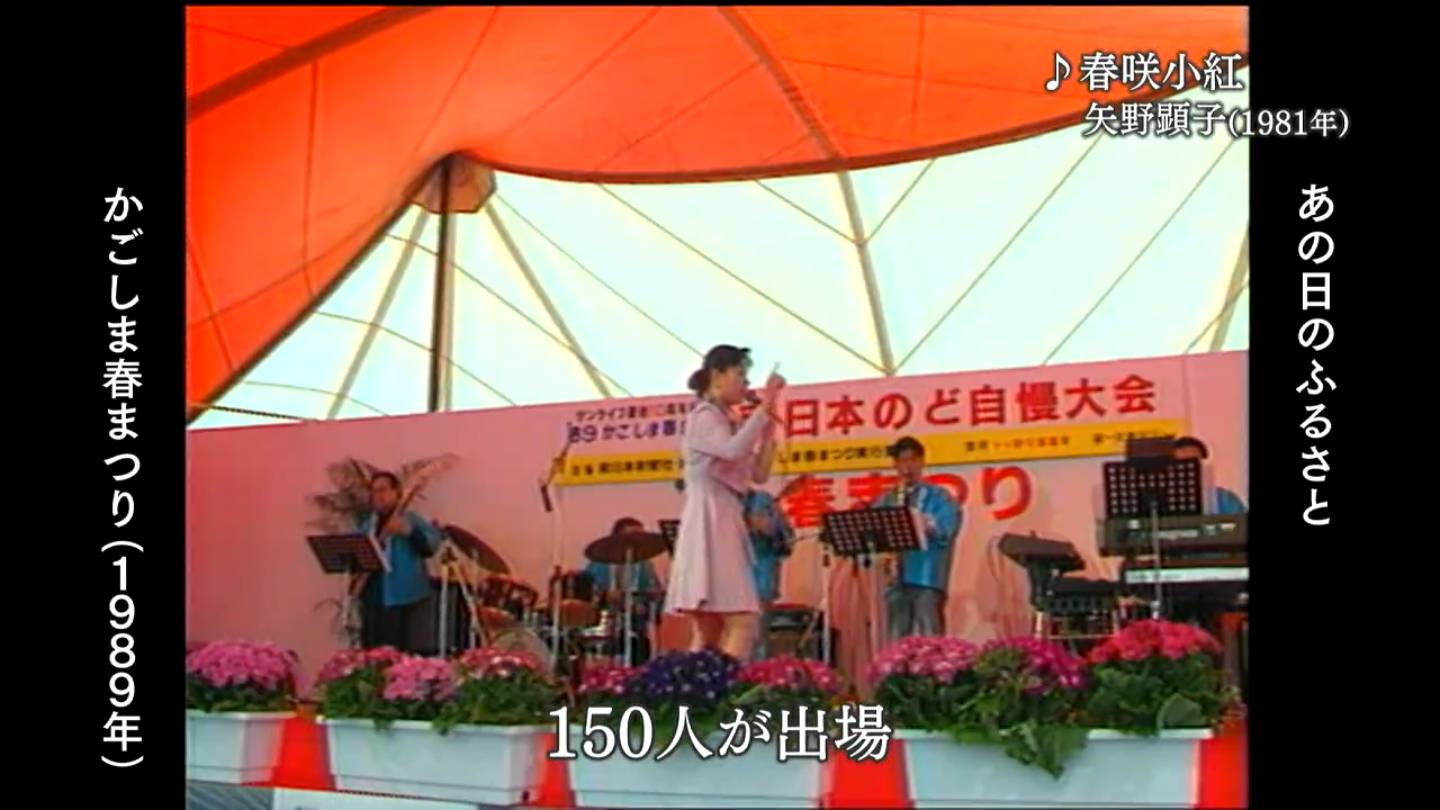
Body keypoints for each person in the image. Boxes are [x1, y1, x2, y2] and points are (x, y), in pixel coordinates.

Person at [664, 345, 785, 660]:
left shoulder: (726, 420)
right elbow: (732, 451)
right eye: (740, 375)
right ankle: (726, 685)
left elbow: (759, 474)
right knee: (742, 620)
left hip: (724, 516)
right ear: (717, 375)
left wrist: (768, 431)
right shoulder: (704, 416)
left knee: (710, 628)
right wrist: (765, 405)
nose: (746, 383)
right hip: (711, 516)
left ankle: (696, 684)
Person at [869, 436, 961, 640]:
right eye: (902, 461)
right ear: (894, 464)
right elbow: (872, 530)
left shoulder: (938, 496)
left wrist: (927, 523)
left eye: (912, 460)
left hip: (926, 575)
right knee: (896, 636)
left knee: (930, 634)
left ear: (921, 461)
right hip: (894, 575)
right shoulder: (887, 499)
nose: (907, 467)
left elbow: (948, 528)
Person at [357, 472, 442, 653]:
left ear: (396, 492)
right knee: (371, 650)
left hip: (404, 596)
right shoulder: (368, 525)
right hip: (373, 596)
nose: (378, 496)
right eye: (374, 491)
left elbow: (430, 548)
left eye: (383, 490)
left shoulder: (411, 519)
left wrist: (409, 532)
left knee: (399, 648)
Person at [584, 517, 666, 664]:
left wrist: (655, 598)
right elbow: (588, 596)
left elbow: (653, 593)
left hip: (636, 628)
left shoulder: (645, 565)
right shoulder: (599, 563)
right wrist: (606, 596)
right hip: (604, 627)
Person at [743, 488, 795, 660]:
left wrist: (767, 521)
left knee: (757, 636)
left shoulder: (760, 499)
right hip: (728, 578)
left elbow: (784, 540)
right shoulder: (720, 500)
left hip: (760, 575)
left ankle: (757, 673)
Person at [1172, 436, 1246, 514]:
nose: (1190, 468)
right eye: (1182, 463)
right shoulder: (1165, 502)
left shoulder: (1226, 499)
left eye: (1195, 463)